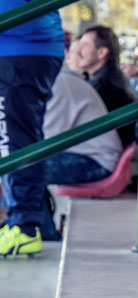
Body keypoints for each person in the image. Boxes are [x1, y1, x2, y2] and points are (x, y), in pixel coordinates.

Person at [0, 1, 63, 258]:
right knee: (16, 136)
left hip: (21, 47)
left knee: (14, 138)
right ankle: (22, 223)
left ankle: (24, 228)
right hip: (26, 45)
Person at [38, 67, 123, 240]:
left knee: (25, 170)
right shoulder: (55, 80)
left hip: (97, 161)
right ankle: (38, 230)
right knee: (24, 168)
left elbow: (49, 140)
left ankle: (38, 232)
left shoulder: (60, 83)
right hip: (84, 155)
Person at [75, 25, 138, 148]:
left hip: (100, 156)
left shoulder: (105, 85)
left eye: (84, 46)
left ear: (102, 52)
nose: (78, 51)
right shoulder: (106, 77)